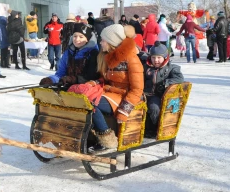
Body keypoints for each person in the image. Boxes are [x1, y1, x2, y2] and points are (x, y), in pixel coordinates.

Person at [85, 24, 144, 153]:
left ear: (112, 41)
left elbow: (137, 89)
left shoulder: (131, 59)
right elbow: (104, 79)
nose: (101, 42)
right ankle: (90, 136)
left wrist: (124, 111)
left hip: (125, 96)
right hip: (110, 92)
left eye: (103, 40)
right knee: (83, 100)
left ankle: (107, 140)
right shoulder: (108, 56)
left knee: (91, 103)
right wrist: (93, 83)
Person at [141, 42, 184, 135]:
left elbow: (179, 78)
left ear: (165, 57)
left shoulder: (171, 68)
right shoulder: (146, 67)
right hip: (144, 94)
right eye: (153, 57)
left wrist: (166, 83)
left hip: (158, 96)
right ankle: (140, 128)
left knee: (154, 107)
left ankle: (154, 128)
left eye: (159, 57)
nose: (156, 60)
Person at [39, 23, 100, 87]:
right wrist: (51, 80)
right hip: (69, 89)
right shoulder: (68, 52)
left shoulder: (93, 53)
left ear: (87, 39)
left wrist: (72, 79)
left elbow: (92, 76)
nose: (77, 39)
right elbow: (60, 73)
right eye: (75, 36)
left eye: (81, 37)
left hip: (87, 89)